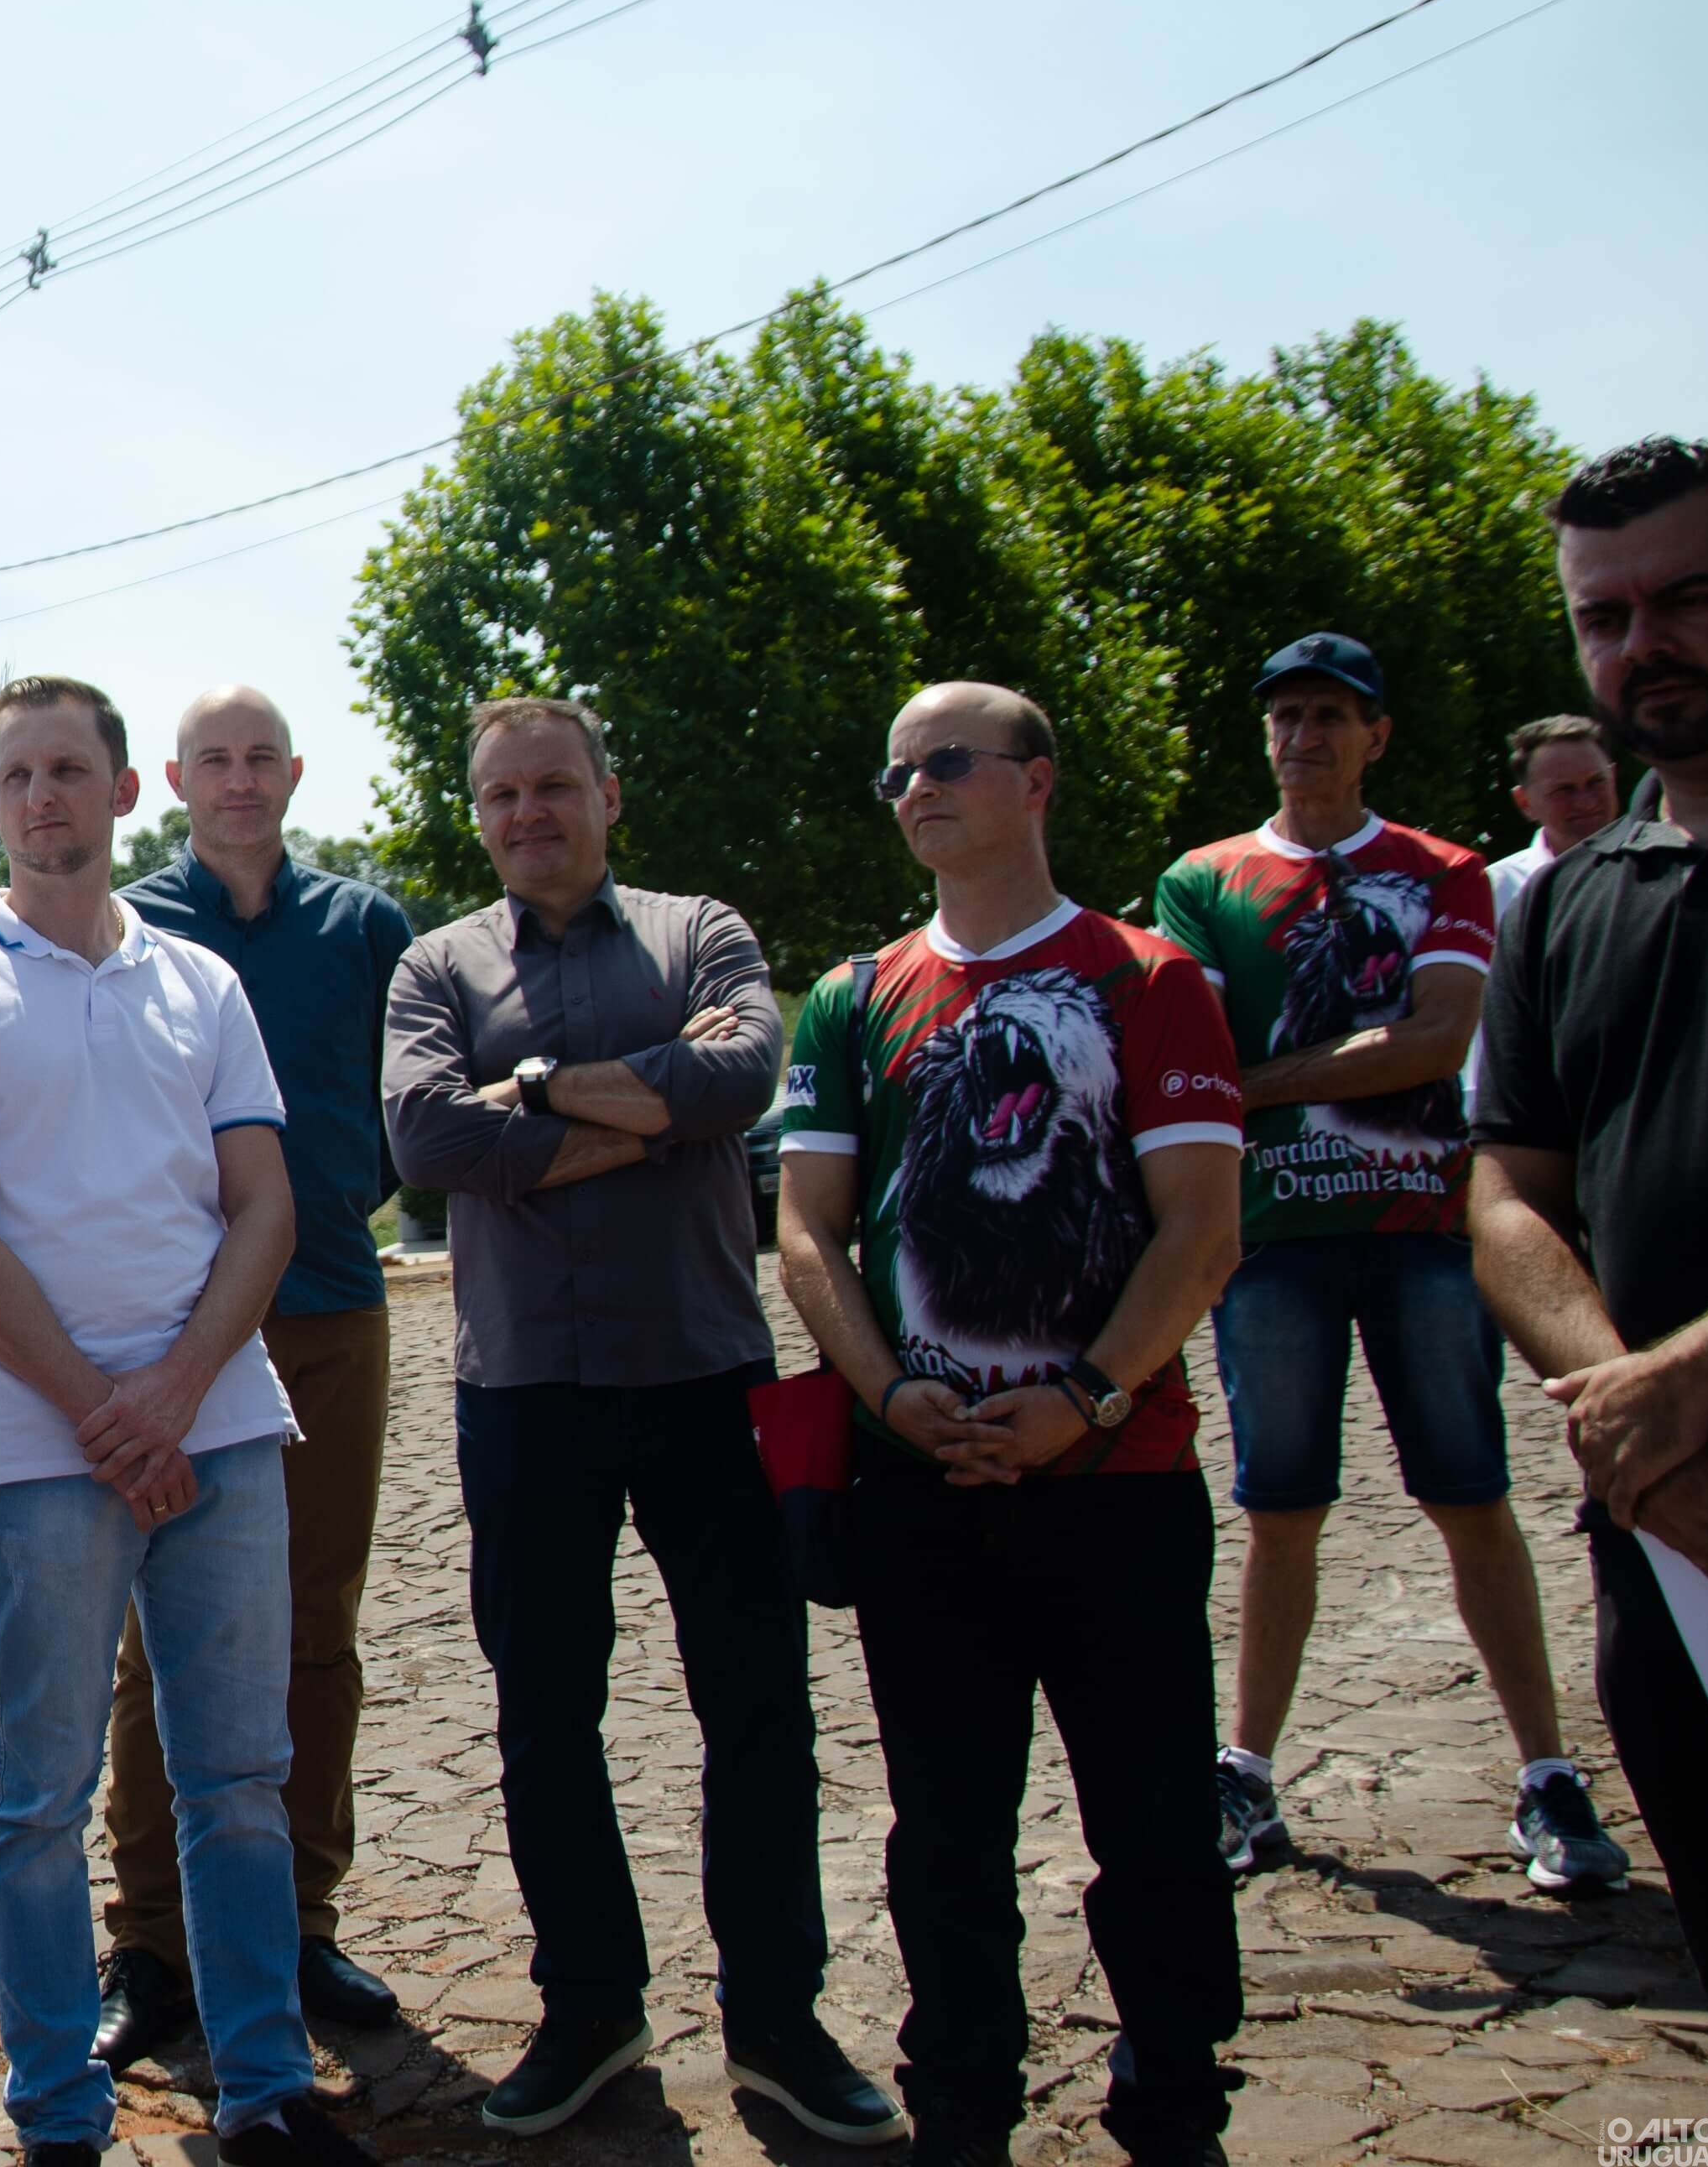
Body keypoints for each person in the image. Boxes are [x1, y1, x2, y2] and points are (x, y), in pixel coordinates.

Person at [379, 697, 890, 2147]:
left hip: (701, 1375)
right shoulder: (437, 961)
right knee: (547, 1720)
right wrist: (646, 1118)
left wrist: (529, 1095)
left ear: (608, 792)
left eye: (552, 784)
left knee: (755, 1707)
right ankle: (589, 2004)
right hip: (522, 1391)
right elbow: (422, 1139)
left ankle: (778, 2018)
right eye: (500, 793)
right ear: (475, 813)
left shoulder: (696, 931)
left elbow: (737, 1075)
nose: (526, 811)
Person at [0, 675, 365, 2167]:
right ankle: (55, 2110)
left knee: (237, 1776)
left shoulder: (198, 983)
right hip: (36, 1453)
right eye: (15, 772)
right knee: (37, 1797)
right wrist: (104, 1409)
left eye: (69, 768)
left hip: (218, 1426)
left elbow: (264, 1205)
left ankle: (264, 2087)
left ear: (117, 790)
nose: (43, 796)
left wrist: (170, 1393)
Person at [775, 682, 1247, 2167]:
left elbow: (1199, 1228)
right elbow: (806, 1229)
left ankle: (1172, 2090)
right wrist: (887, 1392)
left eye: (947, 760)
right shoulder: (852, 996)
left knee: (1156, 1824)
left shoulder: (1153, 979)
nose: (913, 784)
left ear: (1035, 780)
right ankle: (959, 2097)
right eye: (892, 764)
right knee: (943, 1832)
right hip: (921, 1490)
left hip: (1117, 1478)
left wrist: (1085, 1395)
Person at [1148, 635, 1610, 1889]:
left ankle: (1547, 1776)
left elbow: (1438, 1039)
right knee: (1279, 1511)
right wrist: (1326, 1068)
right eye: (1285, 715)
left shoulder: (1446, 872)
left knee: (1470, 1497)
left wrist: (1258, 1085)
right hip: (1274, 1242)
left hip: (1426, 1229)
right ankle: (1246, 1770)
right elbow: (1190, 1043)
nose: (1305, 737)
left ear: (1376, 735)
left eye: (1331, 716)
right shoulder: (1203, 881)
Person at [90, 687, 414, 2075]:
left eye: (257, 756)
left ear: (292, 772)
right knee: (153, 1642)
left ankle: (296, 1915)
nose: (236, 778)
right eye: (210, 758)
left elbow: (400, 1110)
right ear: (170, 778)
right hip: (171, 1340)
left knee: (312, 1629)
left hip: (329, 1306)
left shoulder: (365, 927)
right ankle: (153, 1942)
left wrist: (337, 1198)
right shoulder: (128, 924)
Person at [1472, 435, 1708, 1981]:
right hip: (1663, 1538)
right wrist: (1615, 1407)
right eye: (1601, 615)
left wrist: (1690, 1377)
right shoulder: (1571, 897)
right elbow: (1504, 1186)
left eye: (1686, 598)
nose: (1643, 644)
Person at [1465, 716, 1617, 1117]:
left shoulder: (1666, 877)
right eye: (1564, 791)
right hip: (1533, 1119)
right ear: (1525, 802)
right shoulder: (1492, 894)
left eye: (1596, 783)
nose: (1586, 802)